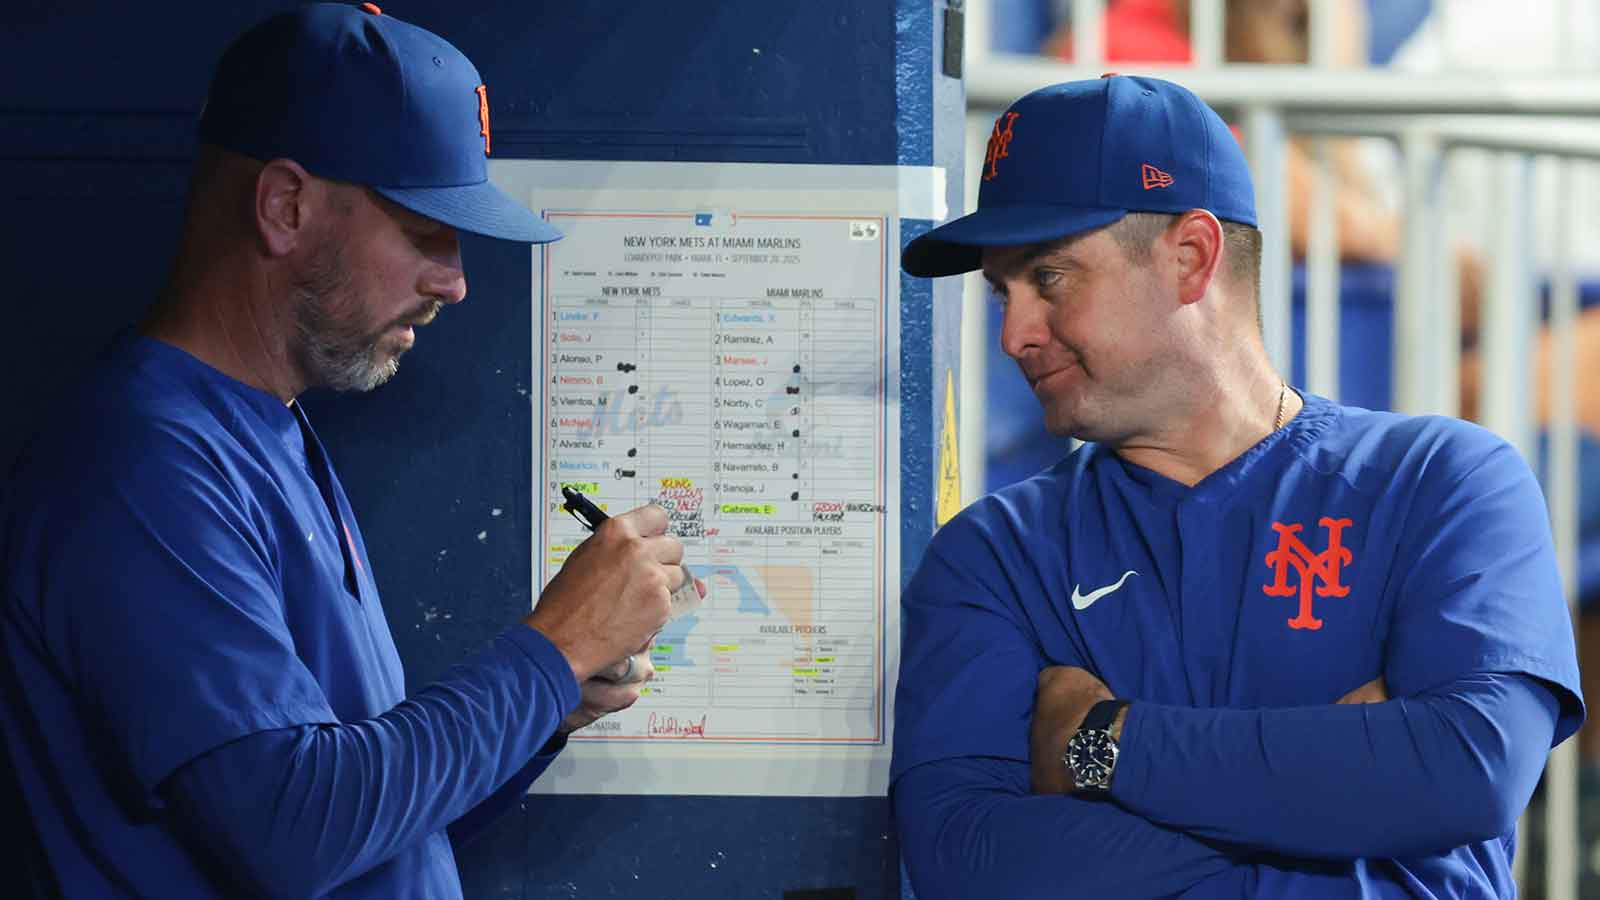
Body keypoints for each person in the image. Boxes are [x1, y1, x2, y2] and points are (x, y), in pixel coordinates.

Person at [0, 4, 697, 898]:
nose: (454, 279)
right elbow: (294, 833)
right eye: (421, 228)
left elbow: (375, 833)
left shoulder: (269, 427)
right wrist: (550, 651)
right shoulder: (139, 465)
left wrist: (545, 710)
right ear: (285, 206)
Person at [892, 75, 1584, 898]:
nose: (1013, 333)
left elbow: (1469, 767)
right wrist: (1351, 824)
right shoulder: (994, 554)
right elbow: (964, 854)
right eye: (1001, 292)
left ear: (1191, 258)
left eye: (1049, 277)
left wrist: (1098, 742)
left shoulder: (1446, 482)